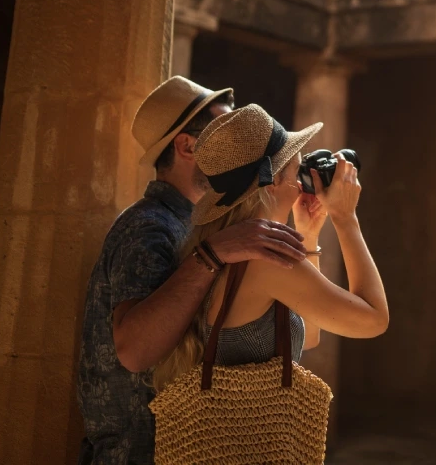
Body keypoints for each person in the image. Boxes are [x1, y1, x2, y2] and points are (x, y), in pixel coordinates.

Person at [77, 77, 311, 465]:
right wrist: (213, 254)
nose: (236, 138)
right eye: (222, 128)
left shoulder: (193, 225)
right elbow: (135, 351)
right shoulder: (149, 226)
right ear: (188, 146)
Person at [153, 103, 388, 399]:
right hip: (250, 443)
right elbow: (373, 320)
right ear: (275, 179)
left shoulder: (223, 243)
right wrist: (346, 219)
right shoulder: (264, 258)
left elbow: (309, 335)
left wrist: (308, 234)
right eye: (298, 166)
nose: (303, 179)